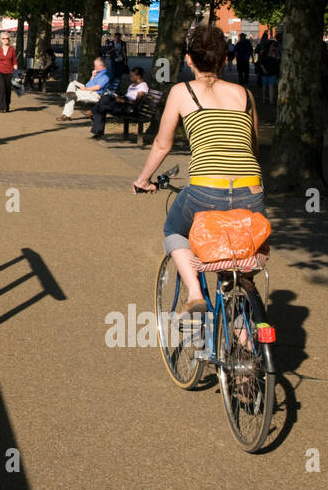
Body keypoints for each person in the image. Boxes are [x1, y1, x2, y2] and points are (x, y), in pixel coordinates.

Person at [133, 25, 264, 312]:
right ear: (225, 60)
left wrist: (143, 179)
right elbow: (253, 148)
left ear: (189, 59)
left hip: (207, 189)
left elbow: (161, 144)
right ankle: (243, 335)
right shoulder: (245, 95)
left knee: (173, 229)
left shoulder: (181, 92)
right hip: (251, 190)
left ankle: (195, 293)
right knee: (239, 257)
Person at [90, 66, 149, 138]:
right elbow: (127, 96)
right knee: (104, 102)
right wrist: (119, 97)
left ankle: (92, 111)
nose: (130, 77)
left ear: (138, 76)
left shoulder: (143, 86)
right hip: (123, 105)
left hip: (130, 109)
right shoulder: (132, 85)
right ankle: (98, 131)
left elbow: (135, 103)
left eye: (132, 76)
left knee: (105, 99)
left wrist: (123, 100)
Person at [57, 57, 111, 121]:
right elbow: (91, 83)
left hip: (94, 94)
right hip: (87, 88)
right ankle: (70, 94)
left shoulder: (105, 75)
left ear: (101, 66)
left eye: (95, 66)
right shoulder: (98, 73)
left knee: (72, 96)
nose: (94, 68)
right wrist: (93, 75)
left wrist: (86, 89)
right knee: (73, 83)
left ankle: (66, 114)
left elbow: (98, 87)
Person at [0, 33, 17, 112]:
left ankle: (7, 105)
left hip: (9, 72)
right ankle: (1, 107)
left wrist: (16, 73)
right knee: (2, 89)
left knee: (8, 90)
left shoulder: (12, 50)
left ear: (9, 40)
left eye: (7, 38)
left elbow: (14, 62)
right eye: (3, 38)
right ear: (1, 40)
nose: (5, 40)